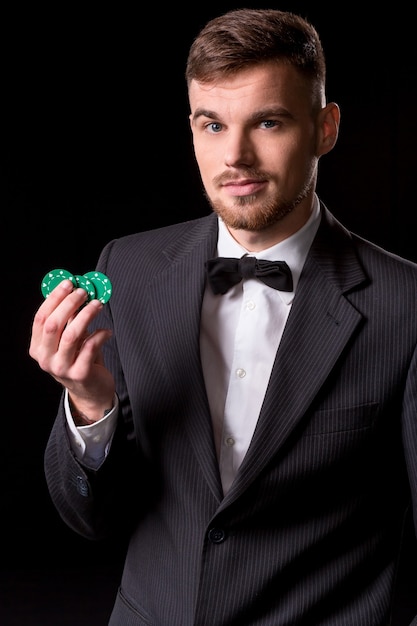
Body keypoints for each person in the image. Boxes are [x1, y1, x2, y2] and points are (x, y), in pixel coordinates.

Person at [29, 8, 417, 625]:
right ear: (190, 128)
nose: (234, 155)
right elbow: (90, 519)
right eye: (213, 124)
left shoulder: (406, 304)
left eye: (268, 121)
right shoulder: (126, 269)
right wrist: (89, 406)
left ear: (325, 127)